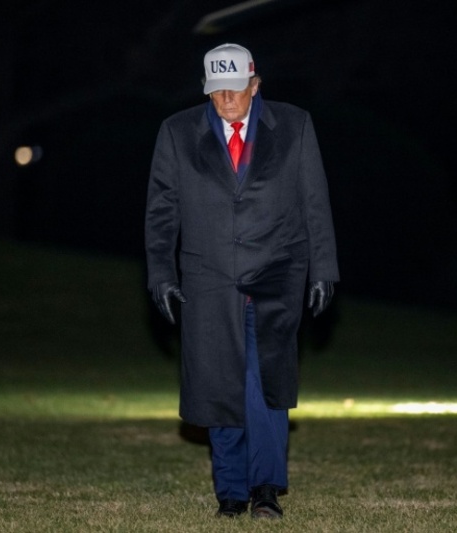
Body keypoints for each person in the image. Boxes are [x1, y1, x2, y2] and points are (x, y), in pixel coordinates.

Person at [144, 43, 339, 519]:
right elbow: (162, 211)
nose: (226, 100)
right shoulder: (177, 132)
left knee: (263, 381)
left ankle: (265, 487)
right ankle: (230, 492)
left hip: (276, 274)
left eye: (235, 89)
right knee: (218, 384)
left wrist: (324, 268)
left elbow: (315, 202)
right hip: (207, 278)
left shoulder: (294, 126)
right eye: (217, 91)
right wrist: (161, 274)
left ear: (255, 84)